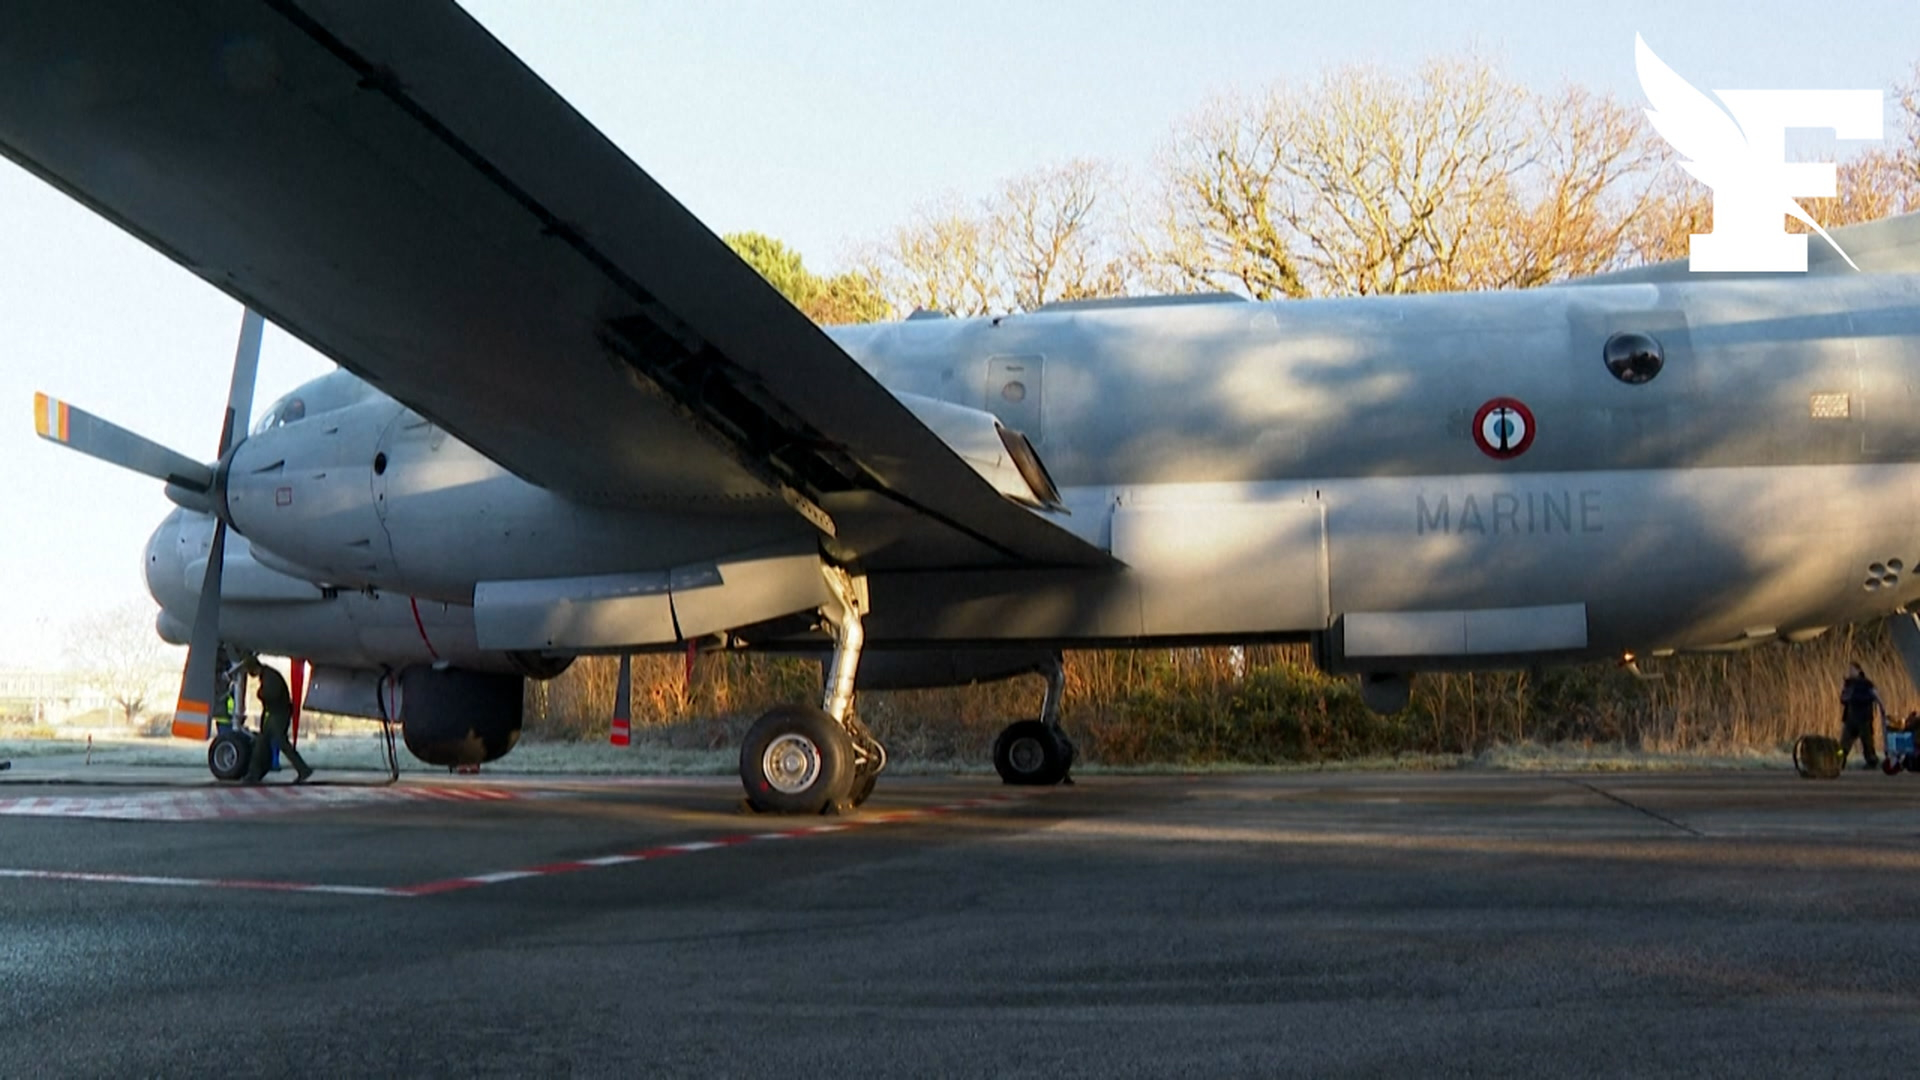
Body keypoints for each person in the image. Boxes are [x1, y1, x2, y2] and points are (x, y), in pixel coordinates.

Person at [242, 658, 312, 785]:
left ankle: (303, 769)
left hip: (279, 714)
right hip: (276, 714)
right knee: (262, 741)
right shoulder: (267, 675)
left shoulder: (269, 677)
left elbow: (271, 694)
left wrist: (260, 694)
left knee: (279, 742)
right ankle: (254, 774)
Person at [1839, 661, 1886, 771]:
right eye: (1849, 670)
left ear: (1859, 671)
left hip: (1864, 719)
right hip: (1850, 719)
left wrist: (1882, 707)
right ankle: (1839, 760)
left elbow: (1876, 695)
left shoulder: (1866, 683)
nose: (1850, 672)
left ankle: (1872, 762)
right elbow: (1843, 698)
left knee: (1867, 743)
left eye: (1852, 670)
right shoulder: (1849, 684)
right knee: (1843, 745)